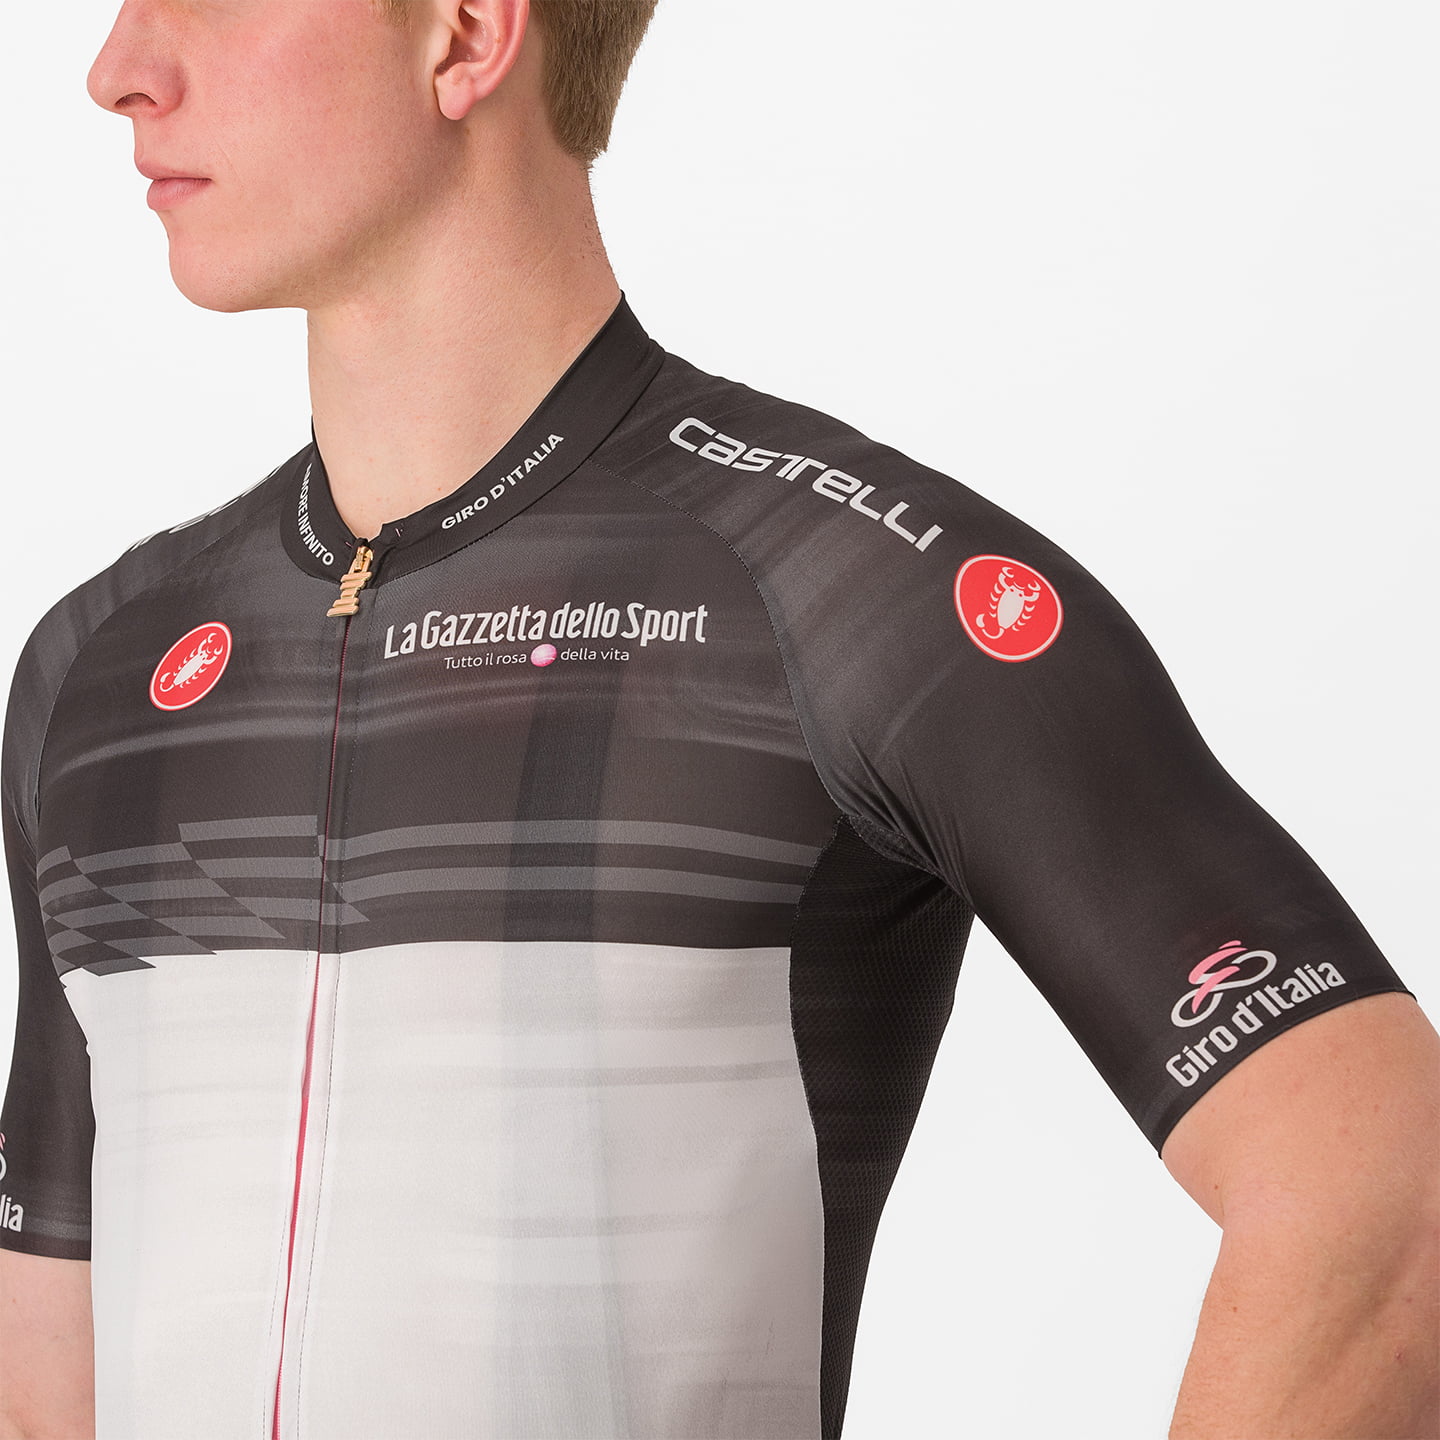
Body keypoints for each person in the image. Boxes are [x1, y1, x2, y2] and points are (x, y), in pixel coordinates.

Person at [0, 1, 1435, 1437]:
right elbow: (47, 1348)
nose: (119, 71)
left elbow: (1388, 1198)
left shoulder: (850, 593)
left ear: (466, 34)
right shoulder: (100, 668)